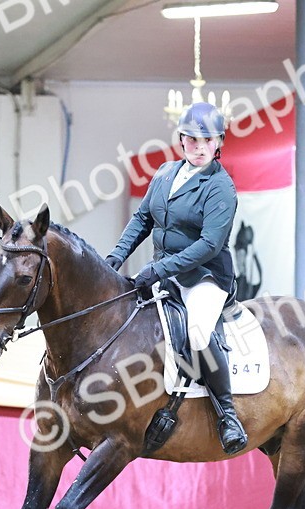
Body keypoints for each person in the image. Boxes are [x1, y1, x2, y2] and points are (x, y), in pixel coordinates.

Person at [104, 102, 247, 454]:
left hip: (204, 277)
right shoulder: (165, 173)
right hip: (165, 272)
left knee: (198, 334)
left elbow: (209, 245)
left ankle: (227, 415)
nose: (199, 147)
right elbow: (142, 219)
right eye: (192, 139)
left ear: (218, 143)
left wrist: (159, 269)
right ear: (181, 139)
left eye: (207, 140)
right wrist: (115, 258)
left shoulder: (221, 187)